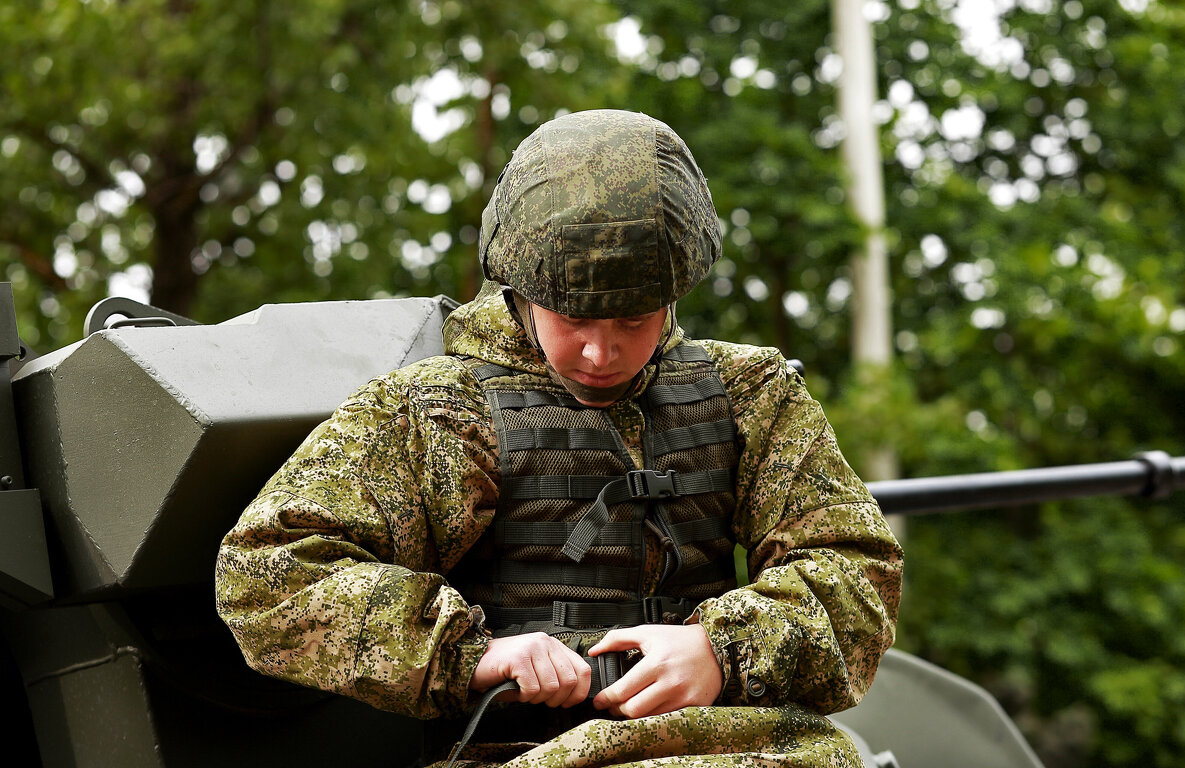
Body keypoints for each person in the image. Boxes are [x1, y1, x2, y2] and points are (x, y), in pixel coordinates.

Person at [215, 109, 903, 768]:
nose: (601, 353)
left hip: (746, 743)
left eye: (632, 319)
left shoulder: (752, 396)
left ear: (674, 293)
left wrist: (721, 650)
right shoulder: (438, 412)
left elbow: (857, 571)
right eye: (573, 317)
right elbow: (268, 573)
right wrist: (471, 655)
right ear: (520, 285)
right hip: (524, 751)